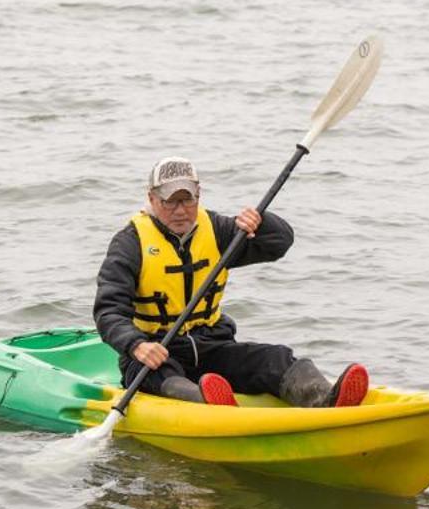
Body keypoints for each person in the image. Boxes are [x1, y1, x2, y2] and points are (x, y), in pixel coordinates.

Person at [93, 156, 367, 408]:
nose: (180, 211)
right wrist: (136, 345)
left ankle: (323, 398)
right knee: (166, 377)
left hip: (211, 346)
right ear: (152, 199)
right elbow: (108, 311)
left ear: (198, 196)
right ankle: (209, 403)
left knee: (275, 358)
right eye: (170, 201)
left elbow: (278, 243)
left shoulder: (217, 229)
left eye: (187, 200)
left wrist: (262, 223)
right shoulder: (130, 244)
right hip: (156, 354)